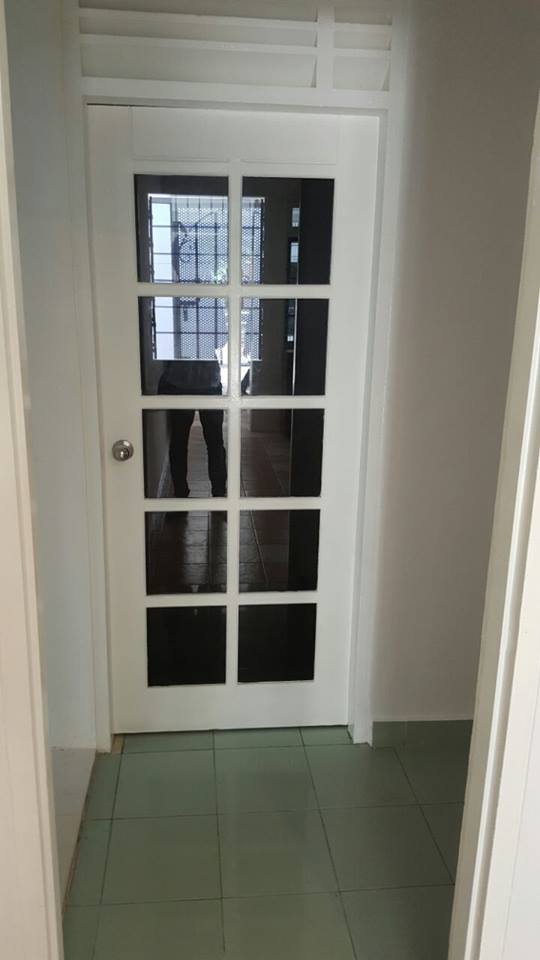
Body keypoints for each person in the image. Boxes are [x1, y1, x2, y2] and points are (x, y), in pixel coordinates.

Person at [158, 358, 227, 497]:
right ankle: (219, 492)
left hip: (180, 382)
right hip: (208, 382)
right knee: (215, 443)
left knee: (179, 443)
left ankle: (181, 492)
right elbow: (220, 343)